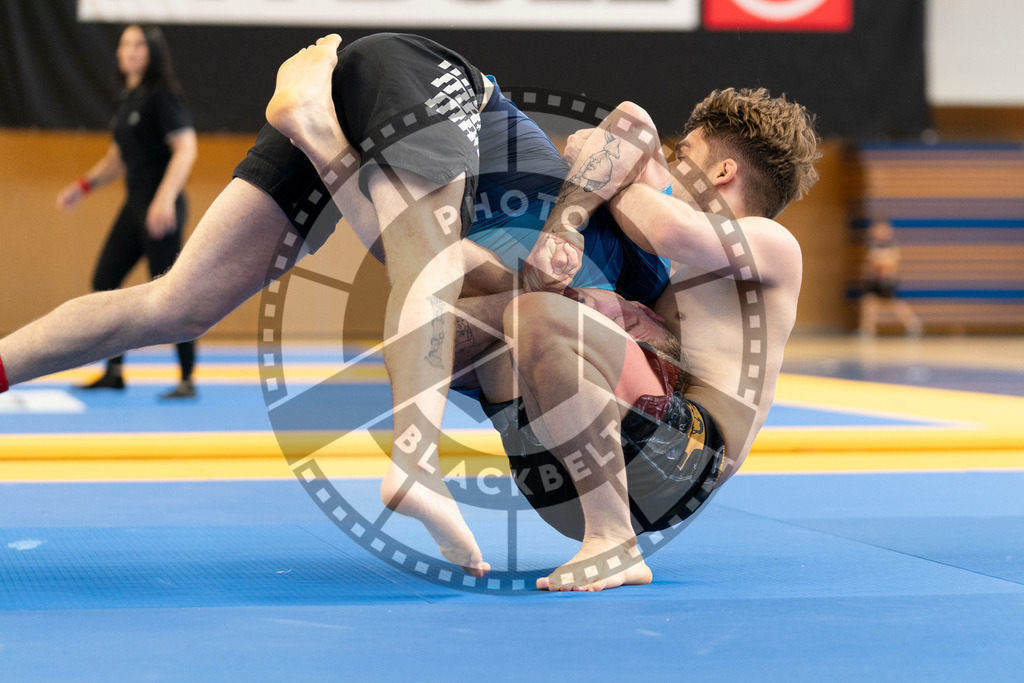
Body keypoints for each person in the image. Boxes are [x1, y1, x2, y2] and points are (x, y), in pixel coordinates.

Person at [0, 33, 819, 587]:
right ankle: (323, 137)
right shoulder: (642, 259)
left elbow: (633, 165)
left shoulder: (756, 247)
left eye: (687, 159)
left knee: (478, 301)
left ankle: (325, 139)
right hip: (424, 90)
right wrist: (583, 208)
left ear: (721, 177)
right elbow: (624, 130)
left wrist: (592, 208)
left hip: (676, 455)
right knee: (451, 282)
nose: (668, 165)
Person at [56, 24, 199, 399]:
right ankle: (114, 371)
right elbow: (116, 158)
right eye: (124, 44)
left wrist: (165, 198)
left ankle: (187, 378)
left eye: (138, 44)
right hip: (134, 206)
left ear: (151, 52)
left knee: (171, 295)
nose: (129, 50)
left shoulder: (162, 95)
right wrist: (82, 187)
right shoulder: (125, 98)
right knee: (104, 279)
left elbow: (186, 148)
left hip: (159, 209)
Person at [857, 218, 922, 338]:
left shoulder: (891, 244)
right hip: (874, 280)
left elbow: (891, 262)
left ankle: (913, 323)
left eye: (881, 229)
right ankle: (867, 329)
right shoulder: (873, 244)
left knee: (894, 304)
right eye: (876, 229)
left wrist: (881, 262)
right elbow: (870, 262)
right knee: (869, 302)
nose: (878, 232)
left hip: (887, 281)